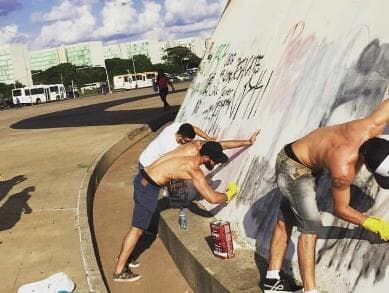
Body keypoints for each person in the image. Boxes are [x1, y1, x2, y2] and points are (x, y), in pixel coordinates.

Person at [263, 99, 389, 293]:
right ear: (369, 167)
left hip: (305, 158)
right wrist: (371, 222)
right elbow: (341, 208)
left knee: (285, 220)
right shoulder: (343, 170)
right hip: (293, 167)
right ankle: (310, 290)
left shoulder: (375, 123)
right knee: (311, 227)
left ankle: (271, 281)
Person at [113, 141, 239, 282]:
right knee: (137, 229)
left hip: (143, 179)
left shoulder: (189, 151)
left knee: (139, 227)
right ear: (206, 158)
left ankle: (126, 257)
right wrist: (229, 194)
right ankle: (119, 270)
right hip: (147, 187)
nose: (216, 164)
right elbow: (213, 198)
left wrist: (245, 142)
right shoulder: (193, 169)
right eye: (215, 160)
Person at [138, 122, 216, 168]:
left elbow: (193, 128)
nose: (188, 143)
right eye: (186, 141)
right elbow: (174, 165)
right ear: (180, 137)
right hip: (147, 164)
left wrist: (207, 138)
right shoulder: (169, 146)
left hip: (148, 156)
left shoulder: (178, 127)